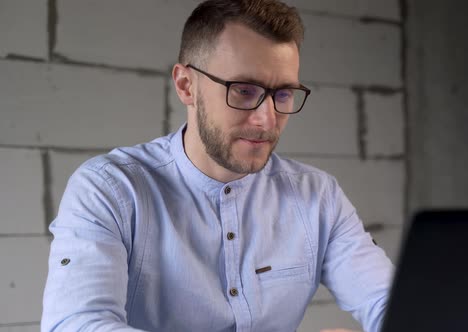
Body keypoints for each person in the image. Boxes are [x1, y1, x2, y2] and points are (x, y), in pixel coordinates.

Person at [41, 0, 393, 331]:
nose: (266, 119)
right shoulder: (109, 189)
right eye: (243, 90)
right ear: (185, 85)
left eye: (283, 93)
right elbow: (76, 324)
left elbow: (389, 305)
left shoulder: (318, 196)